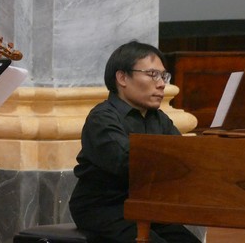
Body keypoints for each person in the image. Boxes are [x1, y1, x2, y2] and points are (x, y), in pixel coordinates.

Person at [69, 41, 201, 243]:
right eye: (152, 75)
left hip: (144, 206)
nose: (161, 84)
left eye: (163, 76)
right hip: (104, 208)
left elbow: (182, 155)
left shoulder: (159, 118)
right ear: (122, 77)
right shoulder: (102, 118)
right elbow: (127, 163)